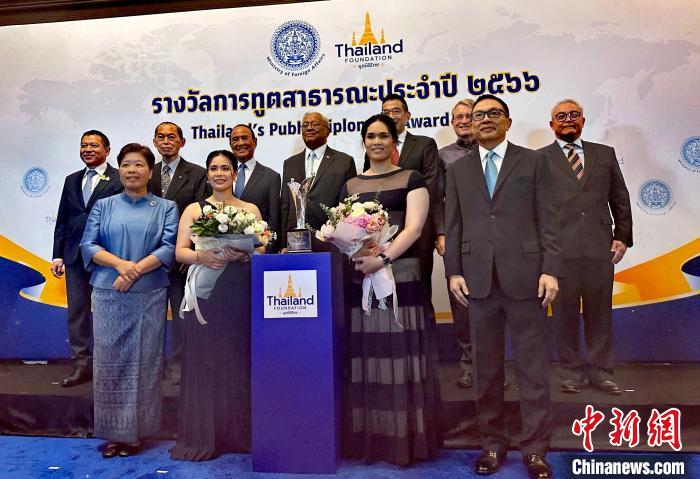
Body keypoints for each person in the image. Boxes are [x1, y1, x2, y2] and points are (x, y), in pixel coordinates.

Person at [444, 95, 561, 479]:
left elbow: (549, 219)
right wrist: (453, 271)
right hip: (477, 280)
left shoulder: (533, 162)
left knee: (532, 369)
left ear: (508, 122)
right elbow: (453, 224)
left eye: (494, 113)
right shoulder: (458, 170)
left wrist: (551, 269)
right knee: (486, 370)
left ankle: (535, 449)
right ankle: (492, 444)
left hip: (527, 278)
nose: (485, 120)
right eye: (479, 115)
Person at [342, 114, 441, 466]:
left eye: (383, 135)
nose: (377, 142)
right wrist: (358, 250)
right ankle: (373, 439)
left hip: (401, 273)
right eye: (370, 136)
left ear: (394, 140)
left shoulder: (412, 178)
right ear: (364, 142)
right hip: (362, 277)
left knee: (399, 352)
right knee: (370, 353)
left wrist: (382, 258)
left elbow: (413, 228)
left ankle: (406, 441)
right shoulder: (351, 185)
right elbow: (343, 229)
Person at [80, 143, 178, 458]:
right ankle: (113, 433)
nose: (131, 170)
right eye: (126, 164)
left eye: (138, 164)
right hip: (108, 292)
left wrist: (135, 271)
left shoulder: (166, 207)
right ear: (118, 169)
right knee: (109, 364)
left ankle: (136, 434)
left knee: (143, 363)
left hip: (148, 294)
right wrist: (121, 266)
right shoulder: (103, 205)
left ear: (150, 171)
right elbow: (89, 245)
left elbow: (168, 248)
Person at [170, 150, 263, 461]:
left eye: (225, 168)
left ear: (235, 173)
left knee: (238, 358)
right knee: (205, 361)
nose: (219, 173)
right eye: (214, 168)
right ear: (207, 175)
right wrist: (201, 255)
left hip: (239, 291)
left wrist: (246, 254)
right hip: (205, 294)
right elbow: (180, 252)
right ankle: (203, 435)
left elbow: (263, 248)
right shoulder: (193, 210)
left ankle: (238, 435)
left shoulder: (250, 209)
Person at [539, 99, 633, 395]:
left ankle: (601, 372)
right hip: (558, 249)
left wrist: (623, 236)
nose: (568, 119)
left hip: (599, 246)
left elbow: (620, 197)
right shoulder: (538, 159)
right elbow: (533, 206)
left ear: (582, 120)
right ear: (551, 124)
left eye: (573, 115)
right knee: (563, 315)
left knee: (599, 313)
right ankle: (570, 371)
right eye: (561, 116)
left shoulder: (604, 154)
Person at [51, 130, 123, 387]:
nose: (88, 149)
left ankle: (111, 365)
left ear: (107, 150)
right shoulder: (71, 179)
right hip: (74, 256)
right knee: (77, 312)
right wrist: (57, 255)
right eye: (84, 145)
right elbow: (63, 219)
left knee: (110, 312)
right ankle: (81, 364)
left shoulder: (119, 178)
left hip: (107, 256)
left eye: (94, 145)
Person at [363, 94, 441, 299]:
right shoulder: (374, 149)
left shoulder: (424, 144)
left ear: (407, 115)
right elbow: (370, 189)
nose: (391, 115)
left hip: (417, 230)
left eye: (396, 111)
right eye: (386, 112)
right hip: (380, 233)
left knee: (418, 290)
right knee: (384, 291)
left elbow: (432, 188)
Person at [150, 121, 210, 382]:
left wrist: (190, 251)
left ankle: (177, 365)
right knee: (150, 317)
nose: (166, 141)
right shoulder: (146, 172)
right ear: (154, 142)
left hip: (180, 260)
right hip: (149, 258)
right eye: (161, 137)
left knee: (182, 316)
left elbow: (202, 215)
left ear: (182, 142)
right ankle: (150, 366)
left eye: (171, 137)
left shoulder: (197, 174)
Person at [437, 99, 476, 389]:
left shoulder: (496, 153)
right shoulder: (443, 156)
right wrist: (440, 233)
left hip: (495, 239)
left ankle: (493, 367)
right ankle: (468, 365)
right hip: (458, 239)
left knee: (494, 307)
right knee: (462, 305)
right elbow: (437, 199)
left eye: (468, 116)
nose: (463, 121)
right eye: (457, 117)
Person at [280, 112, 357, 250]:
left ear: (328, 131)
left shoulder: (344, 162)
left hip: (331, 240)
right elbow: (286, 206)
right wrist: (282, 244)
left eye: (315, 124)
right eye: (305, 125)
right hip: (296, 241)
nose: (309, 128)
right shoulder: (289, 163)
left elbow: (349, 205)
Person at [229, 124, 281, 252]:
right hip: (224, 253)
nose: (240, 143)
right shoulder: (221, 176)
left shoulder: (271, 177)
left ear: (255, 142)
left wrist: (267, 250)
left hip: (258, 252)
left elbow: (274, 219)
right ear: (230, 144)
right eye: (235, 139)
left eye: (244, 138)